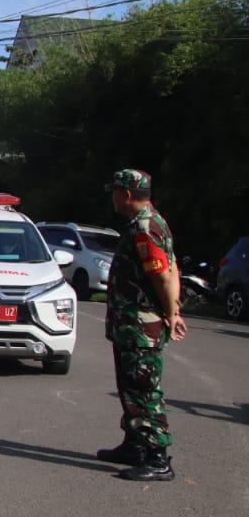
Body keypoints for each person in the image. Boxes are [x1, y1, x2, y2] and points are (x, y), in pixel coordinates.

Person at [97, 169, 187, 482]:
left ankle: (157, 457)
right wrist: (174, 308)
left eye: (114, 192)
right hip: (132, 326)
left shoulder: (145, 228)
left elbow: (163, 275)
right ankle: (135, 444)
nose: (112, 197)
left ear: (126, 194)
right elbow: (172, 267)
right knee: (130, 387)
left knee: (144, 390)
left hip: (140, 326)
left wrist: (171, 312)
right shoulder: (151, 222)